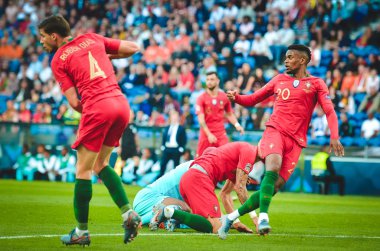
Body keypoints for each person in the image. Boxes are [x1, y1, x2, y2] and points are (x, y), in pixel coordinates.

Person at [219, 44, 344, 238]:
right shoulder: (279, 80)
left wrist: (334, 136)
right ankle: (263, 217)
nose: (285, 60)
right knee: (273, 165)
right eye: (285, 57)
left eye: (290, 57)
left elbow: (329, 110)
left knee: (275, 187)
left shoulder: (317, 83)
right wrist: (237, 98)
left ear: (302, 60)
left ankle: (230, 218)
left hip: (296, 141)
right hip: (274, 131)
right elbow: (253, 99)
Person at [38, 15, 141, 246]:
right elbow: (133, 48)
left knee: (83, 170)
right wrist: (103, 55)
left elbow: (74, 103)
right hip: (121, 105)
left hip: (98, 107)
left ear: (54, 36)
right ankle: (128, 213)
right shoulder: (92, 39)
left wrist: (95, 109)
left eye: (42, 37)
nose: (41, 42)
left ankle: (81, 232)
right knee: (100, 164)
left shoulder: (58, 59)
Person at [151, 142, 261, 234]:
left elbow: (225, 194)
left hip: (188, 178)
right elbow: (240, 189)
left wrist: (236, 222)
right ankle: (169, 212)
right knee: (216, 227)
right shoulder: (248, 151)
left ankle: (174, 219)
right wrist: (256, 220)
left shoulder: (225, 157)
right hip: (200, 179)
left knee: (203, 220)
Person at [195, 71, 244, 158]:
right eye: (207, 80)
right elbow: (201, 120)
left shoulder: (224, 97)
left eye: (212, 79)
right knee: (200, 160)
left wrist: (237, 125)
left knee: (226, 158)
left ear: (217, 81)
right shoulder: (201, 98)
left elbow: (229, 114)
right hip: (206, 134)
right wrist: (209, 134)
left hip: (220, 134)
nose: (209, 82)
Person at [158, 110, 187, 179]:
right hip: (167, 148)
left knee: (176, 166)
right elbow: (164, 137)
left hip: (176, 149)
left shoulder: (181, 128)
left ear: (178, 118)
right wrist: (163, 146)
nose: (174, 118)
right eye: (173, 116)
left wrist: (181, 148)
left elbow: (184, 139)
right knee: (163, 164)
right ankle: (160, 179)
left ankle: (175, 180)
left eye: (175, 116)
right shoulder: (167, 128)